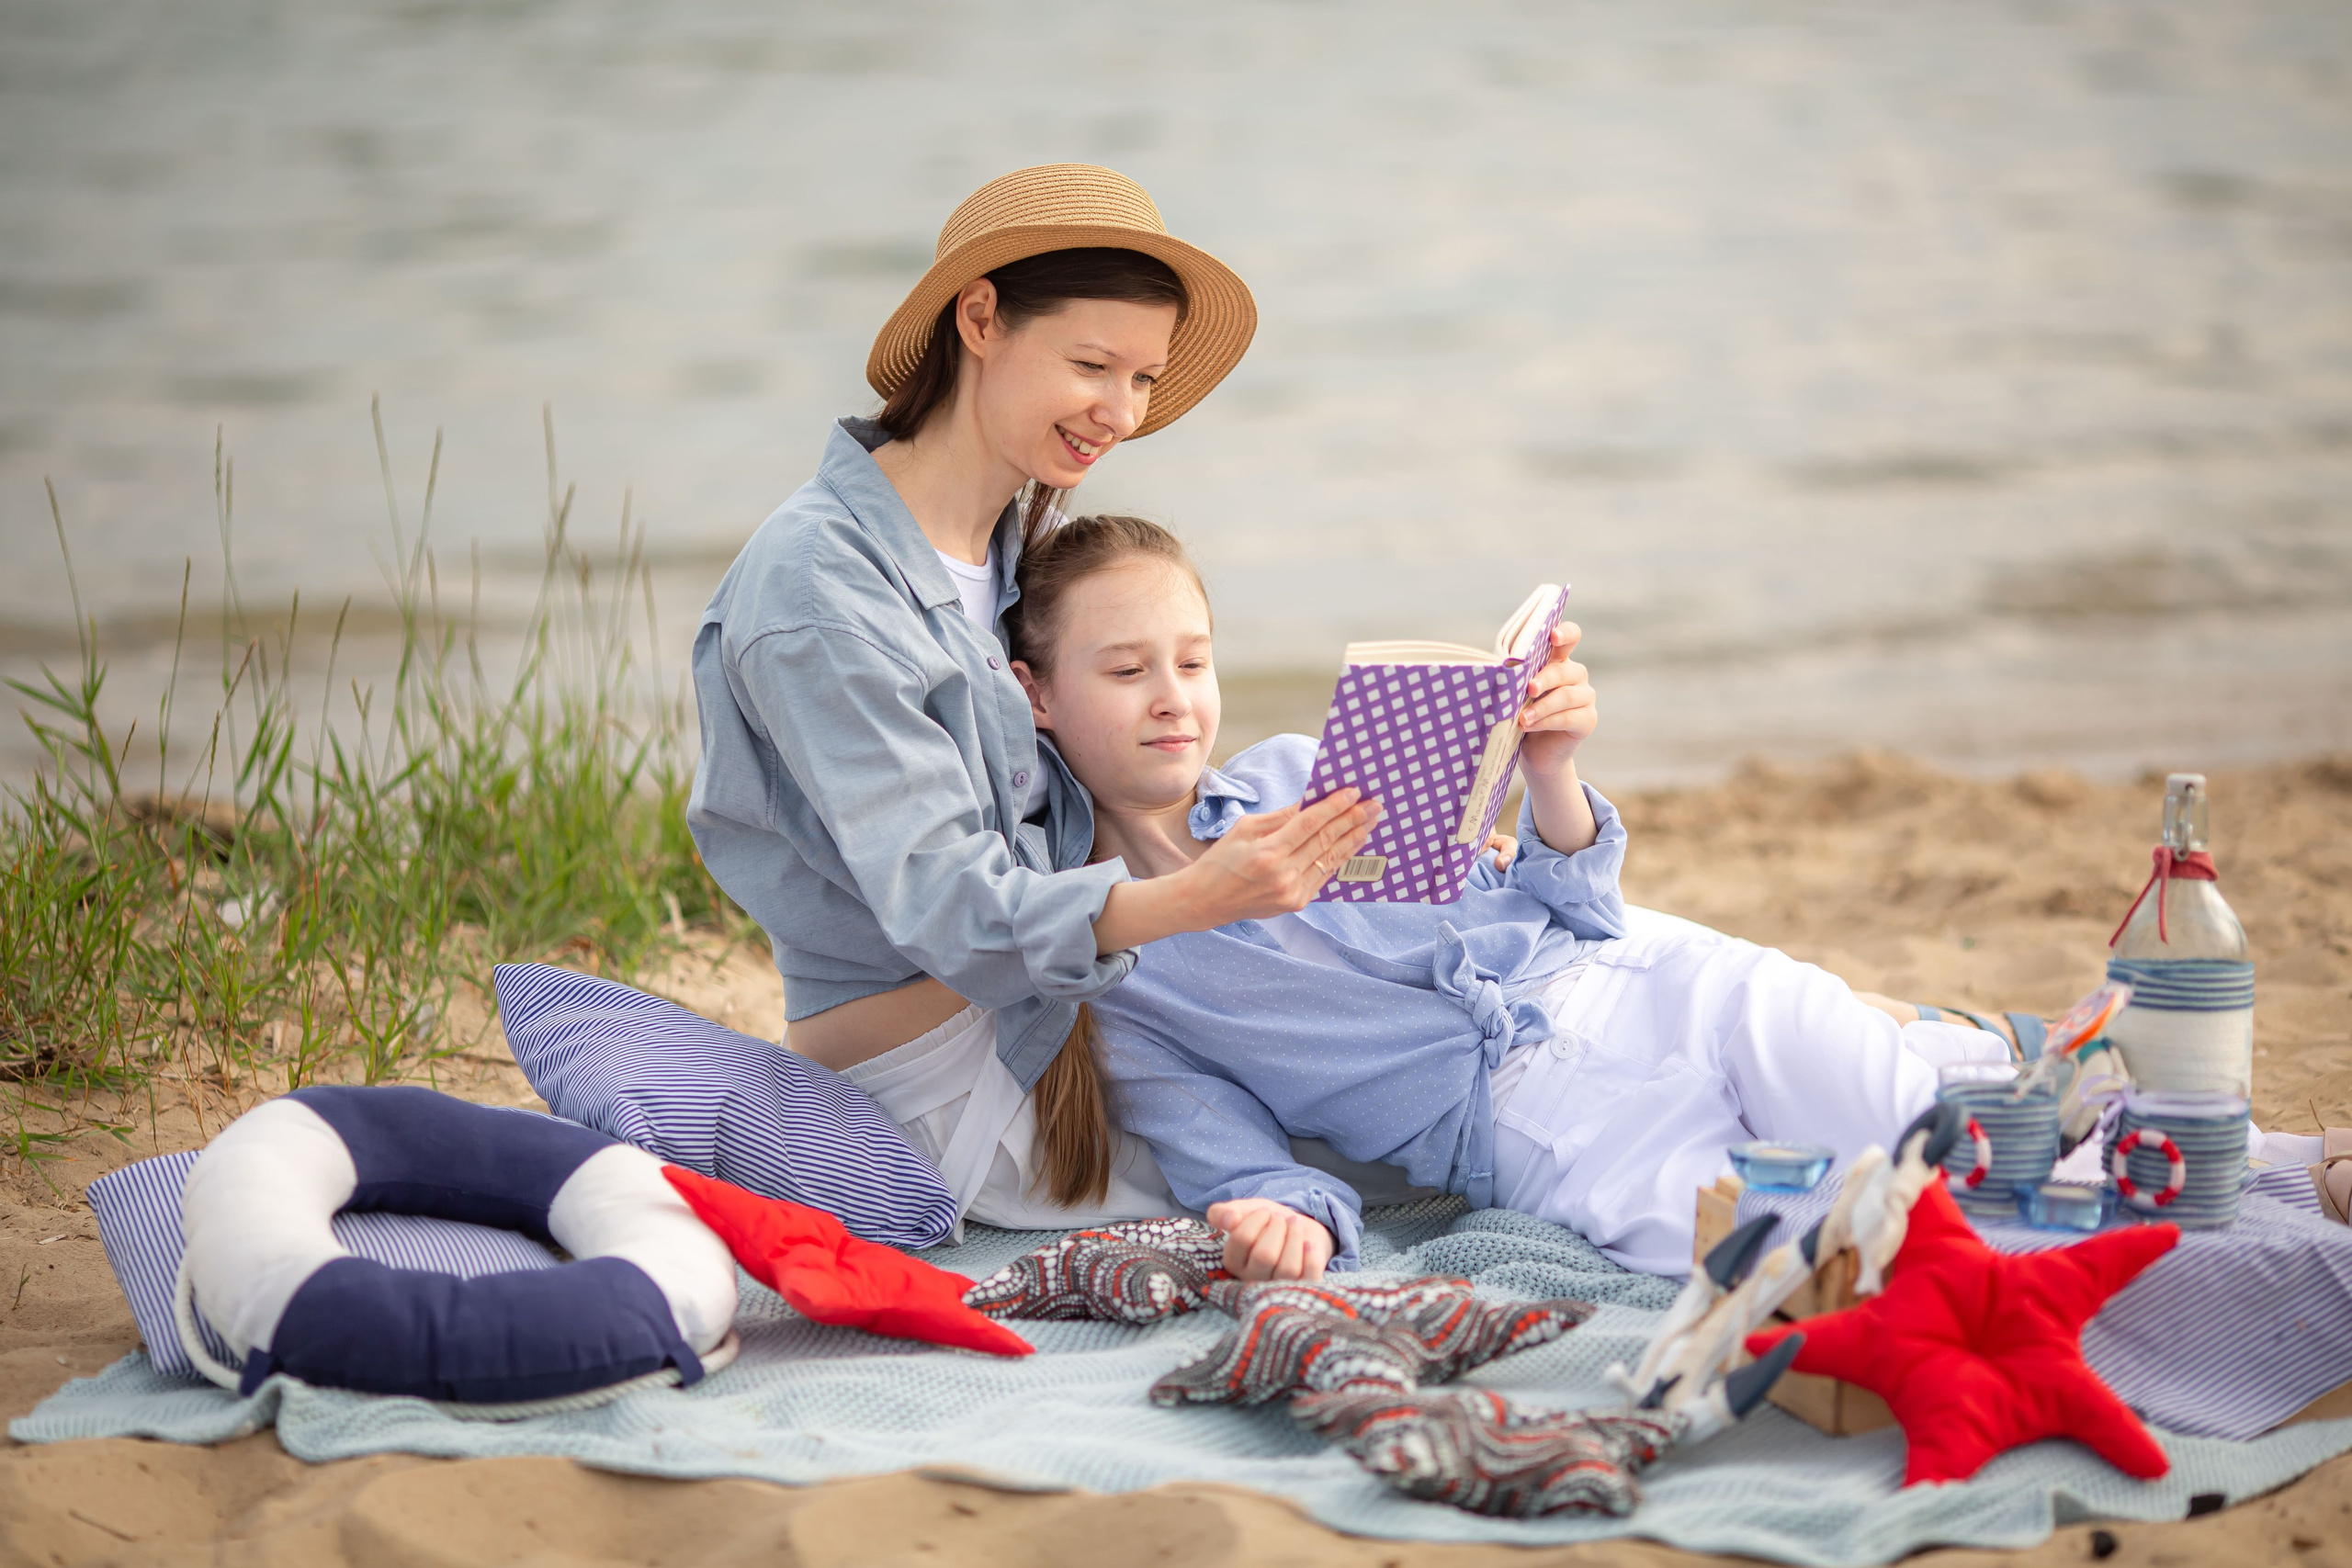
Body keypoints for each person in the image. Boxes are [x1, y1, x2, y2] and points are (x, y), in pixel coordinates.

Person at [1002, 514, 2023, 1279]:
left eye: (1193, 660)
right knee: (1808, 1254)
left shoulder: (1299, 772)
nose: (1174, 697)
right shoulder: (1116, 971)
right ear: (1036, 693)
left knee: (1944, 1150)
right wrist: (1286, 1221)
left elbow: (1573, 903)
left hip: (1646, 981)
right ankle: (1977, 1064)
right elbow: (1225, 1152)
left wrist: (1549, 771)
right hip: (1535, 1125)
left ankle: (1994, 1082)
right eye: (1128, 670)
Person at [687, 166, 1379, 1233]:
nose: (1120, 412)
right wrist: (1206, 900)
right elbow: (952, 910)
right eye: (1092, 365)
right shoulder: (820, 590)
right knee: (1377, 1131)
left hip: (1078, 1021)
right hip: (956, 1087)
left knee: (1399, 1034)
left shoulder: (1011, 554)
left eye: (1143, 378)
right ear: (979, 319)